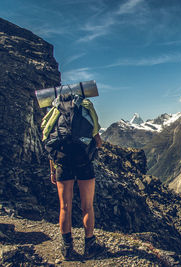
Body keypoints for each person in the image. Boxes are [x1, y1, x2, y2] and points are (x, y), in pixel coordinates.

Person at [41, 95, 105, 260]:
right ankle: (90, 245)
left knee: (64, 207)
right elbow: (98, 142)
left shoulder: (55, 114)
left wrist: (52, 171)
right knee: (87, 206)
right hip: (84, 162)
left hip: (62, 163)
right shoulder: (85, 110)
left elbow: (49, 142)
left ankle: (67, 248)